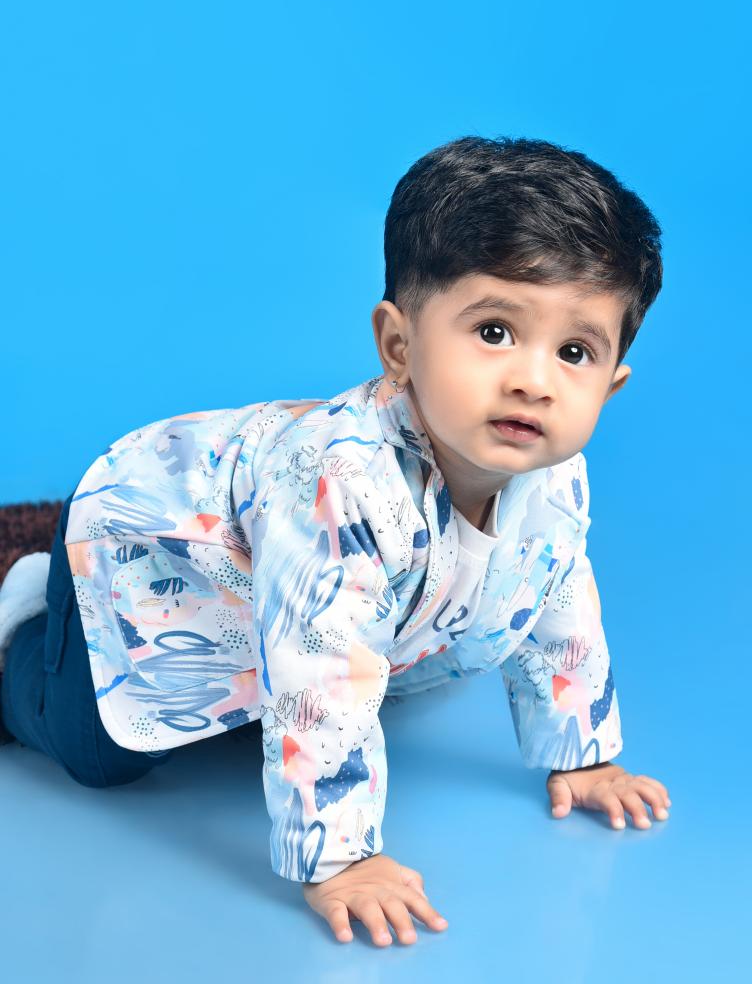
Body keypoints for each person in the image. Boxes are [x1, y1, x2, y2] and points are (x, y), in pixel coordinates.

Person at [0, 135, 671, 947]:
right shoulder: (340, 483)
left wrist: (582, 752)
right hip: (149, 540)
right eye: (494, 331)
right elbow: (319, 665)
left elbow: (558, 600)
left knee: (295, 671)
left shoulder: (554, 477)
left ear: (611, 383)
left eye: (574, 352)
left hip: (266, 569)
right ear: (399, 345)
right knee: (100, 751)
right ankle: (32, 610)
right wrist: (341, 857)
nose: (534, 380)